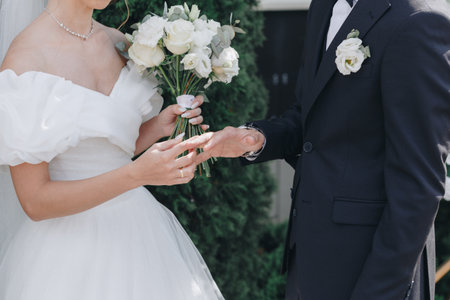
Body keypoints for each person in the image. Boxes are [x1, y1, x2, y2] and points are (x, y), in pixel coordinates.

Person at [198, 0, 450, 298]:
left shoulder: (417, 22)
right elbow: (311, 117)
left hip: (373, 272)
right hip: (309, 262)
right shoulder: (323, 7)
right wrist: (257, 138)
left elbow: (417, 186)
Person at [0, 0, 224, 299]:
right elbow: (35, 202)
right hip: (66, 252)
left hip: (138, 230)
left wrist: (158, 127)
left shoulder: (121, 43)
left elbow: (109, 148)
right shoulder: (26, 58)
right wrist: (135, 175)